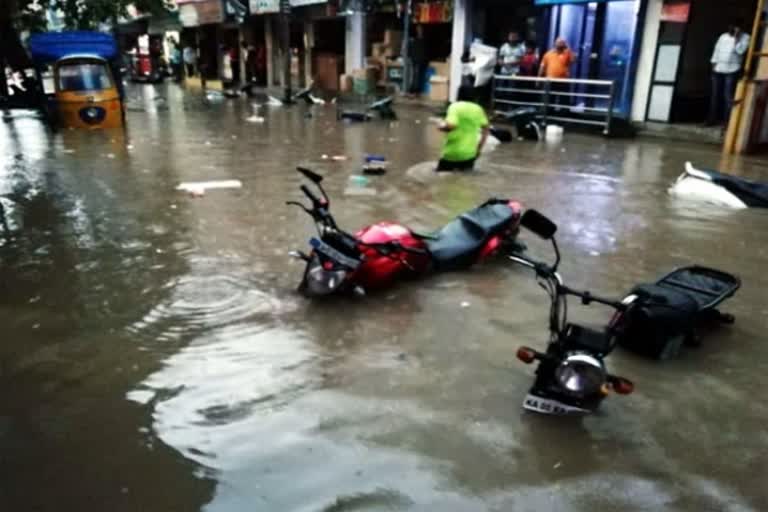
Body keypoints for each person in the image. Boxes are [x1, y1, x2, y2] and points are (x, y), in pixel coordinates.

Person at [436, 85, 490, 172]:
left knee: (440, 180)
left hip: (452, 153)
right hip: (470, 154)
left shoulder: (455, 106)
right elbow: (486, 129)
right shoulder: (478, 109)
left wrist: (440, 127)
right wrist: (479, 148)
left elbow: (451, 125)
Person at [707, 23, 750, 126]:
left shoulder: (746, 37)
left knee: (728, 96)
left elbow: (740, 51)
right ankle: (711, 119)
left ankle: (727, 122)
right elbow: (717, 50)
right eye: (731, 28)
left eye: (735, 28)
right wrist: (713, 63)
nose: (732, 30)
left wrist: (736, 38)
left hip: (733, 69)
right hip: (719, 68)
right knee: (715, 95)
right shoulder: (723, 36)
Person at [539, 37, 575, 107]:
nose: (560, 44)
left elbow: (573, 60)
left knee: (564, 100)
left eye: (562, 43)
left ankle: (563, 115)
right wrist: (539, 78)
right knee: (549, 99)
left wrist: (568, 48)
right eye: (559, 42)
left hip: (563, 81)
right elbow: (542, 66)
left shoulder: (567, 53)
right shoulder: (548, 54)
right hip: (550, 80)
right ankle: (549, 114)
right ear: (555, 44)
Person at [408, 25, 428, 95]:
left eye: (420, 29)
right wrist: (410, 57)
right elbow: (410, 50)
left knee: (417, 75)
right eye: (418, 29)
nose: (419, 31)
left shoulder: (424, 40)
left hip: (420, 60)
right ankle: (413, 89)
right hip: (415, 59)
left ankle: (415, 90)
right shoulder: (414, 39)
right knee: (414, 74)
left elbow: (425, 51)